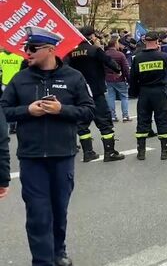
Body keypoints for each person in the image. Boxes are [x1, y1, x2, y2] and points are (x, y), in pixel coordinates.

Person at [0, 27, 95, 266]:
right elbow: (4, 110)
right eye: (25, 48)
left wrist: (62, 110)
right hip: (32, 159)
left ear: (50, 50)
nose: (26, 53)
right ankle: (42, 261)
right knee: (38, 214)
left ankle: (58, 251)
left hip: (62, 155)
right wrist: (27, 111)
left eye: (32, 49)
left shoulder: (74, 77)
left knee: (59, 210)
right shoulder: (20, 79)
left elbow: (88, 111)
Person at [67, 26, 125, 162]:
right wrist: (117, 70)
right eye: (94, 36)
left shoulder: (71, 52)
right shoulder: (94, 50)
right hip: (96, 91)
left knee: (82, 124)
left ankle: (88, 153)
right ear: (91, 36)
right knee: (104, 122)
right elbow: (109, 62)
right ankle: (109, 152)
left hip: (80, 92)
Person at [129, 31, 167, 160]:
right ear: (157, 42)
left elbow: (133, 77)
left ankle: (141, 152)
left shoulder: (137, 58)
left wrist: (133, 93)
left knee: (143, 120)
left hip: (144, 92)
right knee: (162, 119)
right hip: (159, 92)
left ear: (145, 42)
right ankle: (165, 151)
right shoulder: (163, 56)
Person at [105, 38, 131, 122]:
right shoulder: (120, 55)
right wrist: (128, 78)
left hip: (108, 79)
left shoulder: (104, 54)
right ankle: (125, 116)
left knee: (111, 97)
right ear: (115, 44)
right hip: (120, 78)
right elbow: (126, 68)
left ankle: (112, 116)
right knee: (124, 97)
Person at [0, 45, 24, 134]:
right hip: (5, 84)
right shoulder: (1, 55)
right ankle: (9, 125)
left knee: (16, 104)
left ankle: (13, 125)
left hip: (17, 84)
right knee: (6, 104)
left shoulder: (19, 56)